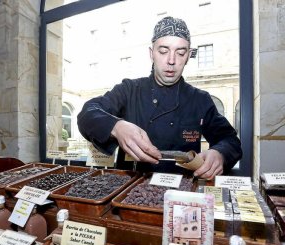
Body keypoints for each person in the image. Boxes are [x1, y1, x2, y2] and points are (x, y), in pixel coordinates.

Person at [77, 16, 242, 179]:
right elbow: (88, 113)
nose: (171, 60)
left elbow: (230, 140)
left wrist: (219, 154)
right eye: (163, 51)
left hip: (182, 193)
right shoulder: (129, 90)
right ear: (152, 53)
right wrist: (116, 126)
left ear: (188, 56)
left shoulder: (200, 99)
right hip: (130, 189)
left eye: (180, 52)